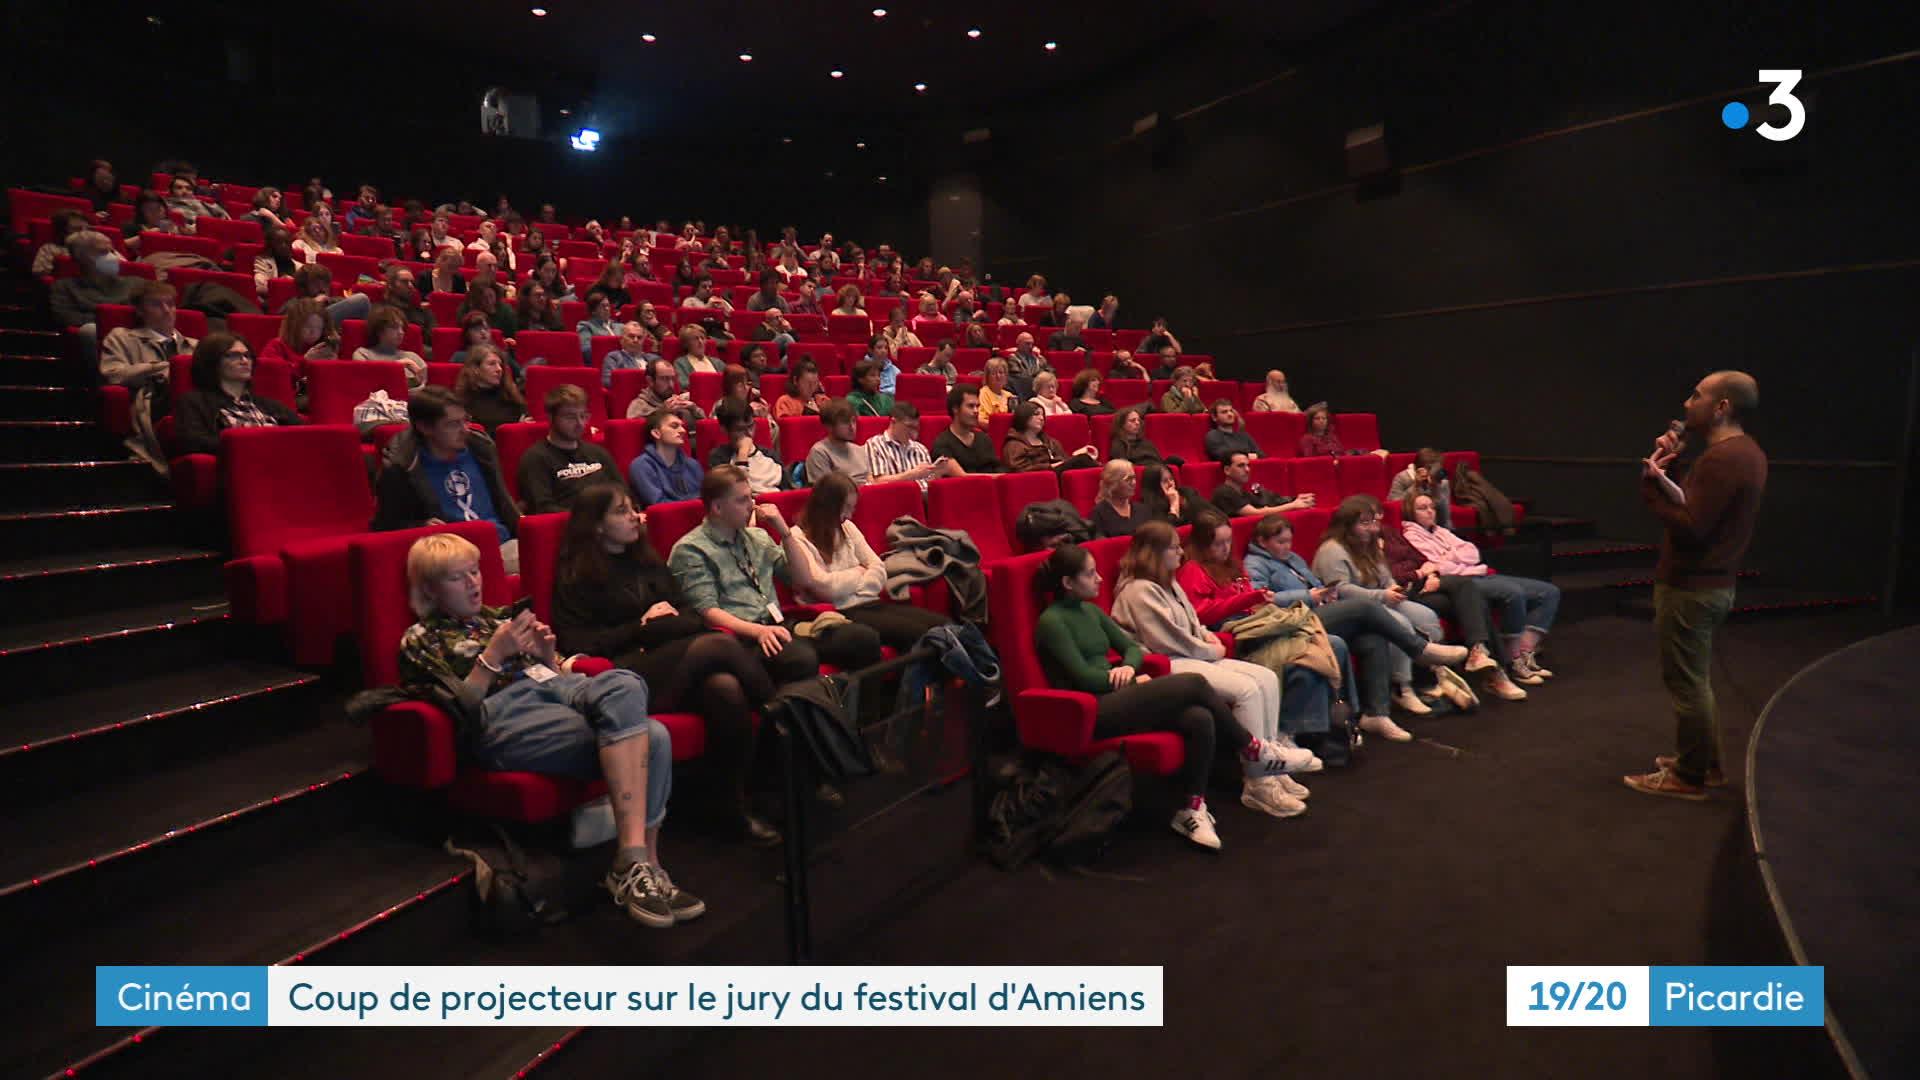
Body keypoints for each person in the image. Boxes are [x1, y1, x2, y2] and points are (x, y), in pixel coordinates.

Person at [398, 532, 697, 926]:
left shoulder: (499, 619)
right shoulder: (421, 638)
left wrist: (544, 657)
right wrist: (492, 658)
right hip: (502, 718)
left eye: (474, 572)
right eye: (457, 578)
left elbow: (553, 675)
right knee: (654, 737)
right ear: (430, 590)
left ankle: (638, 863)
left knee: (624, 683)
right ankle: (640, 868)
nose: (473, 583)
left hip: (555, 693)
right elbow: (456, 711)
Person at [1033, 543, 1307, 849]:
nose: (1099, 579)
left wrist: (1127, 667)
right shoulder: (1052, 622)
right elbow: (1083, 678)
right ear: (1067, 583)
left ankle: (1192, 808)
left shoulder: (1090, 611)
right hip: (1089, 711)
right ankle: (1253, 749)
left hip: (1117, 694)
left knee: (1199, 718)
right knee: (1193, 683)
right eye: (1089, 573)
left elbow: (1131, 648)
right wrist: (1131, 678)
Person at [552, 486, 782, 846]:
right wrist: (642, 626)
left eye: (634, 509)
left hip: (672, 657)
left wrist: (661, 625)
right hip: (624, 676)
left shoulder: (646, 560)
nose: (634, 517)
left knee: (725, 688)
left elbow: (690, 614)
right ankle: (783, 718)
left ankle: (728, 807)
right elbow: (579, 646)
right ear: (596, 525)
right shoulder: (577, 576)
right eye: (621, 512)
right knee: (719, 643)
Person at [1624, 371, 1767, 800]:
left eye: (1697, 395)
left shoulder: (1725, 458)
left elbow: (1691, 527)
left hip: (1692, 588)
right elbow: (1699, 504)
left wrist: (1651, 485)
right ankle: (1705, 763)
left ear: (1721, 406)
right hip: (1709, 585)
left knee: (1686, 682)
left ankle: (1689, 777)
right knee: (1695, 679)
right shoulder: (1742, 453)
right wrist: (1675, 466)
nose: (1688, 404)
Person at [1242, 514, 1479, 755]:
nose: (1287, 547)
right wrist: (1308, 596)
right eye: (1281, 542)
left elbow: (1316, 584)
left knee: (1372, 640)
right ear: (1262, 541)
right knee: (1365, 607)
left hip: (1319, 613)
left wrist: (1327, 593)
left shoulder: (1292, 558)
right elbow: (1259, 600)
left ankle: (1375, 714)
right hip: (1296, 621)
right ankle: (1420, 650)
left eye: (1289, 541)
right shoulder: (1255, 564)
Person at [1112, 522, 1319, 798]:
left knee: (1266, 678)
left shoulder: (1168, 582)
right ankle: (1258, 783)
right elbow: (1169, 640)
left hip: (1189, 654)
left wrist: (1206, 636)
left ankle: (1272, 767)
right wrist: (1214, 649)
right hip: (1166, 664)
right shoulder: (1138, 590)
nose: (1181, 553)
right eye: (1174, 547)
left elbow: (1192, 624)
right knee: (1246, 690)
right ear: (1155, 553)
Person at [670, 466, 879, 682]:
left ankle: (858, 712)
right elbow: (708, 611)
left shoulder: (757, 537)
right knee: (801, 659)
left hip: (779, 624)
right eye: (742, 500)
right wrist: (758, 631)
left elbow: (800, 580)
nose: (752, 505)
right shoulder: (691, 549)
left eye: (751, 496)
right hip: (743, 638)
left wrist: (785, 533)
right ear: (718, 507)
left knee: (863, 639)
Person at [1311, 496, 1469, 732]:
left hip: (1379, 598)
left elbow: (1385, 576)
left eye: (1372, 521)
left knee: (1425, 615)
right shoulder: (1332, 550)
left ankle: (1431, 675)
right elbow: (1341, 589)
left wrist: (1392, 588)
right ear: (1347, 525)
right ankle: (1403, 687)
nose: (1372, 528)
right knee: (1401, 622)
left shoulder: (1370, 544)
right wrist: (1382, 596)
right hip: (1355, 607)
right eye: (1364, 523)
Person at [1391, 492, 1539, 698]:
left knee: (1474, 600)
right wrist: (1428, 571)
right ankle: (1495, 669)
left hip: (1442, 585)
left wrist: (1438, 566)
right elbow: (1415, 569)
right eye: (1422, 508)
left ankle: (1487, 663)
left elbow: (1471, 553)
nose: (1430, 511)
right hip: (1421, 590)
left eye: (1432, 506)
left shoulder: (1437, 532)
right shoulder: (1406, 536)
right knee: (1471, 590)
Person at [786, 472, 951, 653]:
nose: (848, 515)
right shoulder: (797, 537)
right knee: (919, 633)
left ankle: (951, 679)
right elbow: (823, 588)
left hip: (870, 602)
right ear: (828, 506)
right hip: (842, 612)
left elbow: (879, 568)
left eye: (852, 508)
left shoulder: (847, 527)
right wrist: (858, 572)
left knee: (943, 624)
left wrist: (852, 584)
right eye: (845, 508)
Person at [375, 387, 522, 573]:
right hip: (454, 554)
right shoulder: (403, 467)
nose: (465, 430)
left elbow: (504, 503)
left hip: (503, 543)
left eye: (465, 420)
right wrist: (420, 527)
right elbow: (385, 528)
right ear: (424, 427)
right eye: (453, 424)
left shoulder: (481, 449)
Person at [173, 333, 303, 455]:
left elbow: (305, 434)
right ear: (212, 361)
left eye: (248, 355)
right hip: (237, 467)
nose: (244, 361)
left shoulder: (270, 405)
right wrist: (249, 444)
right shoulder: (194, 402)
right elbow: (193, 442)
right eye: (234, 355)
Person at [517, 384, 620, 513]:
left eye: (583, 416)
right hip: (572, 526)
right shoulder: (535, 459)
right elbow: (543, 508)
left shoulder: (598, 452)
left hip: (612, 520)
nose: (580, 424)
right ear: (550, 417)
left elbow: (623, 490)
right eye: (570, 417)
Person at [48, 231, 135, 361]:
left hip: (135, 339)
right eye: (103, 252)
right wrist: (111, 321)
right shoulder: (64, 287)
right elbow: (66, 318)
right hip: (101, 338)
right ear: (82, 257)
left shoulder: (134, 283)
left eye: (112, 251)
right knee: (90, 330)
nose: (113, 257)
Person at [99, 279, 194, 390]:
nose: (167, 310)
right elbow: (113, 375)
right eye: (156, 304)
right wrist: (160, 368)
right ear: (140, 311)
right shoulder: (121, 338)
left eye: (170, 304)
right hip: (151, 401)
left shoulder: (196, 345)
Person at [864, 402, 959, 490]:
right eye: (909, 427)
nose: (913, 434)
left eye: (916, 428)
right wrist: (912, 474)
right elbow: (877, 483)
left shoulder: (920, 449)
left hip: (923, 501)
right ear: (893, 422)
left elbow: (929, 485)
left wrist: (937, 474)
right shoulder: (874, 445)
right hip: (892, 501)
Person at [706, 399, 784, 494]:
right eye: (740, 429)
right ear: (725, 430)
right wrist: (743, 454)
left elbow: (787, 491)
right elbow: (733, 495)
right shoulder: (718, 458)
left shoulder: (769, 455)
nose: (749, 433)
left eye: (751, 426)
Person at [628, 409, 702, 507]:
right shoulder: (641, 466)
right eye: (674, 426)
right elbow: (659, 505)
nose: (683, 430)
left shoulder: (693, 464)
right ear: (656, 433)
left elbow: (706, 497)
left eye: (682, 426)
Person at [1001, 401, 1099, 473]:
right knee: (1082, 459)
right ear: (1023, 416)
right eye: (1036, 414)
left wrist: (1073, 456)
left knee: (1084, 460)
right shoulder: (1014, 444)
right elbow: (1019, 469)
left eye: (1043, 415)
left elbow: (1063, 459)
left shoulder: (1049, 441)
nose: (1041, 418)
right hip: (1038, 479)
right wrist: (1050, 466)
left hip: (1058, 474)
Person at [1210, 452, 1313, 519]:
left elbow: (1268, 503)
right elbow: (1256, 513)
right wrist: (1294, 505)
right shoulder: (1224, 492)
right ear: (1227, 470)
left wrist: (1295, 499)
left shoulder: (1242, 492)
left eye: (1248, 465)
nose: (1247, 470)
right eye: (1241, 466)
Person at [928, 384, 1002, 474]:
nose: (976, 411)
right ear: (955, 409)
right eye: (971, 406)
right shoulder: (942, 444)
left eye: (977, 406)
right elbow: (962, 478)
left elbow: (999, 471)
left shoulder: (984, 439)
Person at [352, 306, 427, 388]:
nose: (401, 332)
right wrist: (396, 365)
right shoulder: (363, 354)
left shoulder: (412, 357)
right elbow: (364, 381)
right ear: (379, 330)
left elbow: (431, 385)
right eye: (394, 327)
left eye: (402, 328)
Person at [260, 297, 338, 369]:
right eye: (308, 326)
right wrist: (305, 361)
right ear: (294, 325)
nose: (313, 332)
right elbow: (276, 375)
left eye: (319, 328)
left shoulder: (322, 349)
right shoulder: (276, 346)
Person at [804, 400, 870, 484]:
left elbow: (870, 480)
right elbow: (825, 491)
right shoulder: (820, 452)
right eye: (845, 422)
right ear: (829, 426)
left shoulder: (860, 450)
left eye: (853, 421)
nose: (852, 427)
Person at [1387, 447, 1454, 529]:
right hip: (1410, 527)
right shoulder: (1403, 478)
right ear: (1416, 468)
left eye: (1437, 468)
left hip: (1435, 528)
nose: (1433, 472)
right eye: (1429, 468)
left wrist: (1436, 489)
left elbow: (1445, 518)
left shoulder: (1442, 483)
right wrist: (1416, 486)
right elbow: (1393, 505)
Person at [625, 358, 706, 424]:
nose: (671, 384)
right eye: (664, 379)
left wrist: (693, 408)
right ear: (650, 381)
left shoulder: (680, 400)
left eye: (672, 379)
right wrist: (662, 412)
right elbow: (634, 430)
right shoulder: (639, 404)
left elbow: (704, 425)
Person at [1299, 404, 1391, 458]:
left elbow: (1342, 453)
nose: (1321, 421)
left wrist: (1366, 453)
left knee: (1380, 453)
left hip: (1342, 463)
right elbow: (1310, 460)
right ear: (1311, 421)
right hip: (1326, 468)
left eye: (1324, 418)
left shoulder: (1332, 437)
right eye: (1317, 418)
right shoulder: (1307, 439)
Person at [1138, 464, 1206, 528]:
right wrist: (1174, 504)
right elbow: (1167, 532)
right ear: (1154, 486)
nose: (1170, 483)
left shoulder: (1187, 492)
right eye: (1165, 481)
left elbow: (1210, 514)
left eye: (1171, 478)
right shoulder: (1150, 508)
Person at [31, 209, 95, 275]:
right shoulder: (49, 249)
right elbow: (39, 272)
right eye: (77, 229)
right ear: (62, 231)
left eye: (87, 229)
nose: (84, 232)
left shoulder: (95, 249)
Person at [601, 321, 662, 389]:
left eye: (639, 337)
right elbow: (607, 382)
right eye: (631, 336)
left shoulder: (655, 359)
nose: (635, 340)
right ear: (621, 340)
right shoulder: (613, 357)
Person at [1090, 461, 1140, 538]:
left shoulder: (1143, 509)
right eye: (1128, 479)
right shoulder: (1099, 514)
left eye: (1134, 478)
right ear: (1113, 484)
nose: (1133, 483)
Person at [576, 290, 620, 361]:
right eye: (603, 306)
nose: (607, 309)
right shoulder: (586, 326)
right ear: (593, 311)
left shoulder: (620, 326)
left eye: (608, 305)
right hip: (602, 362)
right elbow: (586, 351)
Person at [1003, 332, 1048, 399]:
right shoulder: (1012, 358)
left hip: (1038, 390)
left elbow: (1049, 371)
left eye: (1032, 344)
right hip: (1021, 391)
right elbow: (1019, 376)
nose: (1030, 347)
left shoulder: (1039, 359)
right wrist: (1039, 377)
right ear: (1018, 344)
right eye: (1027, 344)